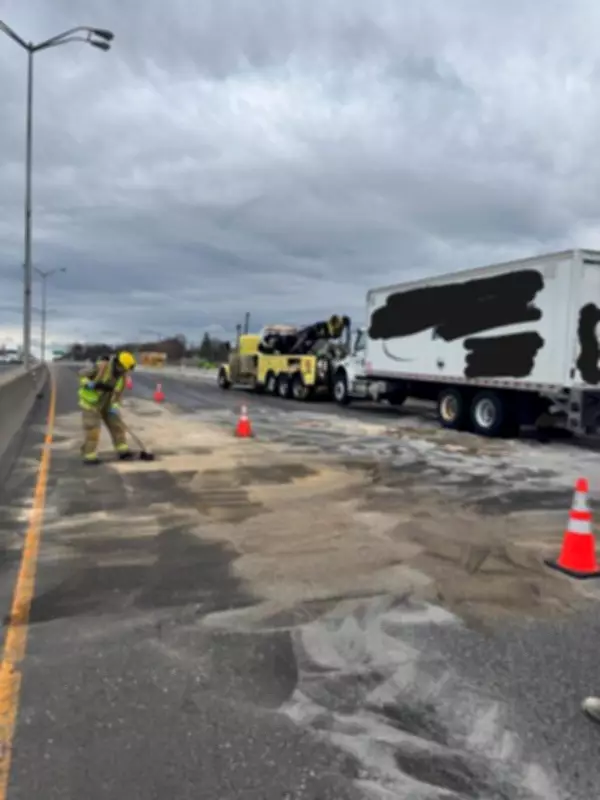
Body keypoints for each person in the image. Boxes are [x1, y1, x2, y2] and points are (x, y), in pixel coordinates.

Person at [78, 350, 137, 465]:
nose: (125, 372)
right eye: (124, 369)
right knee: (93, 430)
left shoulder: (122, 377)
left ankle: (122, 450)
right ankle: (89, 455)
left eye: (126, 370)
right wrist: (90, 384)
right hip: (91, 404)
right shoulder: (101, 367)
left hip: (107, 404)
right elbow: (81, 375)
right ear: (118, 364)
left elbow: (118, 394)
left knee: (117, 425)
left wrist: (114, 406)